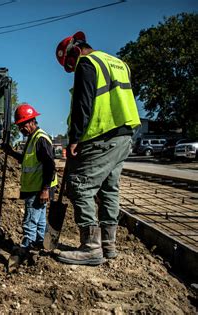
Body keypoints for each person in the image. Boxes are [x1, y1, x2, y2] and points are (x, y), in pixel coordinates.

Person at [55, 31, 141, 265]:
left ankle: (91, 247)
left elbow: (84, 101)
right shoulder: (119, 63)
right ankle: (108, 246)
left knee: (79, 185)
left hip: (102, 134)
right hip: (124, 135)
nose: (72, 69)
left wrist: (74, 137)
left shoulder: (88, 63)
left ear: (75, 50)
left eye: (70, 64)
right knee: (109, 188)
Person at [3, 104, 57, 253]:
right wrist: (11, 152)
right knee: (39, 220)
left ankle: (25, 249)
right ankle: (40, 245)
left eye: (23, 124)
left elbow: (50, 165)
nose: (21, 129)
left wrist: (45, 189)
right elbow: (26, 160)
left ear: (32, 121)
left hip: (39, 188)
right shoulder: (32, 139)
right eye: (19, 126)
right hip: (36, 188)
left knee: (30, 221)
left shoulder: (40, 139)